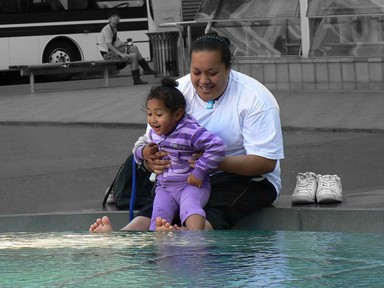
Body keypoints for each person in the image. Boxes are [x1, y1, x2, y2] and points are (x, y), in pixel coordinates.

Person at [90, 31, 284, 233]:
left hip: (246, 179)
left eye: (212, 73)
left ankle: (190, 238)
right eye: (196, 72)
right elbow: (152, 139)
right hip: (180, 177)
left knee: (211, 207)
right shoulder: (175, 91)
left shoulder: (255, 98)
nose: (203, 80)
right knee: (160, 207)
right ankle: (119, 239)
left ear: (228, 68)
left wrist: (212, 162)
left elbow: (266, 162)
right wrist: (150, 161)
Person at [137, 77, 226, 230]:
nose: (152, 120)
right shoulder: (155, 133)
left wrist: (200, 171)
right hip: (165, 187)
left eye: (159, 114)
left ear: (178, 114)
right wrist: (143, 152)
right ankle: (160, 245)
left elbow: (217, 146)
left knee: (190, 208)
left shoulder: (190, 130)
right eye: (149, 114)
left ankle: (195, 240)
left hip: (190, 184)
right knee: (158, 215)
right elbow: (138, 146)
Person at [99, 10, 154, 85]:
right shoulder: (107, 30)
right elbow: (109, 45)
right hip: (107, 54)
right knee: (133, 52)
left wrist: (125, 44)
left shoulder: (114, 29)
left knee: (134, 49)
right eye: (114, 16)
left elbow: (115, 43)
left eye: (118, 16)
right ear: (109, 19)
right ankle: (140, 75)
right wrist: (121, 54)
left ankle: (142, 73)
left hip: (112, 52)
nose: (116, 18)